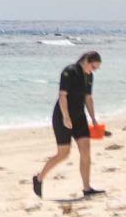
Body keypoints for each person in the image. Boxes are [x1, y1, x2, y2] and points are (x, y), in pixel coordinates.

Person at [33, 51, 103, 198]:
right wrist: (65, 117)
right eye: (93, 66)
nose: (94, 70)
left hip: (79, 117)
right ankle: (39, 178)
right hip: (62, 116)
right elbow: (62, 96)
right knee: (63, 154)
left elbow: (88, 98)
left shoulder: (89, 76)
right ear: (86, 60)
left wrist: (94, 119)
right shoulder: (69, 71)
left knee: (86, 152)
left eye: (96, 68)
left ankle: (87, 188)